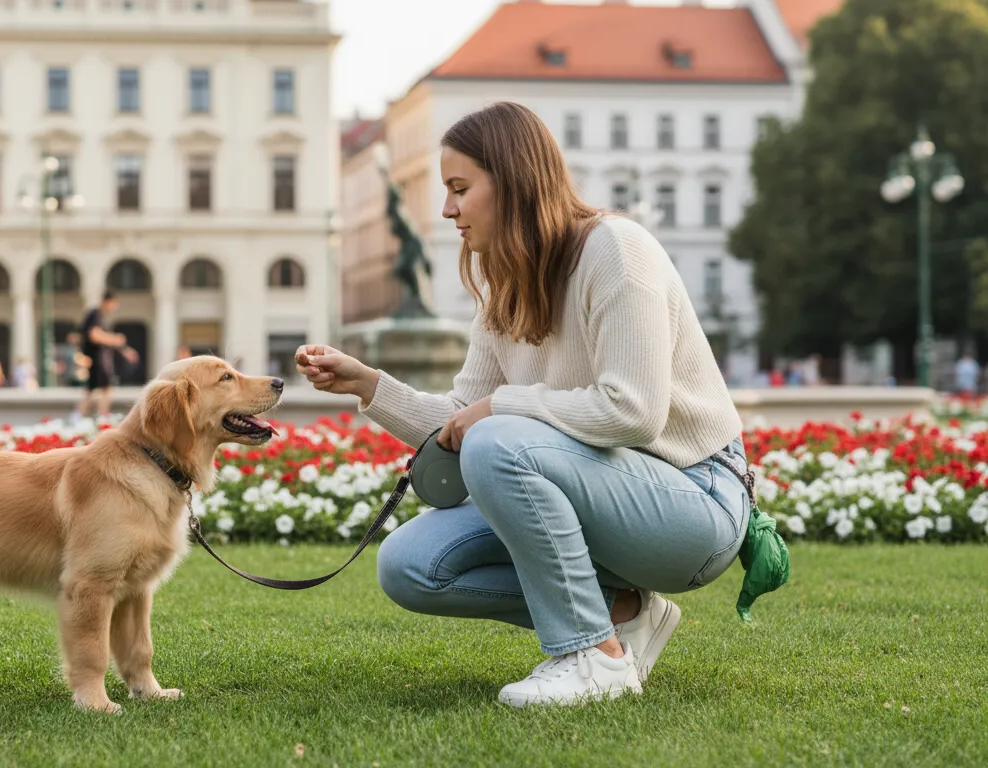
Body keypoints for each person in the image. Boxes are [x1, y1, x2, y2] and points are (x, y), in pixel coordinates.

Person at [295, 102, 761, 708]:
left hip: (695, 501)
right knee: (408, 563)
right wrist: (369, 386)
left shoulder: (617, 250)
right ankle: (624, 612)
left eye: (460, 189)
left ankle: (592, 657)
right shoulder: (504, 283)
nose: (446, 209)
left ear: (512, 182)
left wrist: (501, 407)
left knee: (497, 435)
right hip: (610, 493)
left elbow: (635, 412)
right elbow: (465, 416)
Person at [72, 291, 139, 422]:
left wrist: (124, 350)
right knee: (106, 389)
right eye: (114, 304)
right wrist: (114, 339)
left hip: (98, 358)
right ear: (108, 302)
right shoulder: (95, 314)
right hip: (97, 359)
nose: (114, 308)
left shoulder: (99, 316)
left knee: (92, 390)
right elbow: (94, 335)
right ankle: (101, 419)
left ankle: (80, 417)